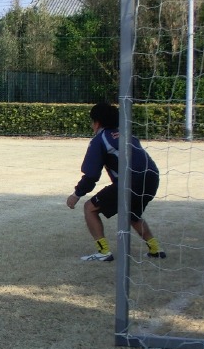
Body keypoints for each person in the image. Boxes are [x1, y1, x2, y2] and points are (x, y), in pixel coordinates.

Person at [66, 101, 166, 262]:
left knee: (90, 208)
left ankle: (103, 251)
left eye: (92, 122)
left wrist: (76, 194)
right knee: (132, 214)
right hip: (152, 178)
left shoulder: (100, 140)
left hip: (131, 181)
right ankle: (156, 249)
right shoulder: (128, 135)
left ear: (97, 123)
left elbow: (91, 175)